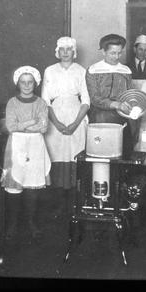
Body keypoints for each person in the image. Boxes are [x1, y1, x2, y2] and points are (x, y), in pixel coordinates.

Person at [41, 37, 90, 218]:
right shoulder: (50, 71)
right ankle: (59, 205)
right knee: (58, 157)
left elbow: (86, 101)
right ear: (57, 51)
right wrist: (57, 123)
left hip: (76, 114)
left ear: (74, 51)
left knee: (75, 157)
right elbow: (45, 100)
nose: (65, 52)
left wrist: (76, 123)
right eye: (62, 49)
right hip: (56, 115)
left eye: (69, 49)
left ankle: (76, 204)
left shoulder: (81, 71)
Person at [1, 66, 51, 241]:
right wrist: (32, 121)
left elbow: (43, 127)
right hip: (16, 145)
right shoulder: (12, 103)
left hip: (36, 146)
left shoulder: (41, 103)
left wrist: (23, 124)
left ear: (35, 83)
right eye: (23, 82)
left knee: (32, 186)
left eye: (30, 82)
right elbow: (11, 127)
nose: (27, 85)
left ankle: (32, 223)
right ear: (18, 83)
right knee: (14, 185)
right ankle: (12, 225)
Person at [86, 34, 134, 154]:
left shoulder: (126, 70)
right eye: (113, 53)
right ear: (103, 51)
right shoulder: (93, 70)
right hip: (100, 118)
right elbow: (95, 98)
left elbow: (128, 95)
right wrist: (116, 104)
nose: (117, 57)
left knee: (121, 154)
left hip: (121, 117)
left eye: (120, 53)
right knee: (102, 153)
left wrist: (131, 106)